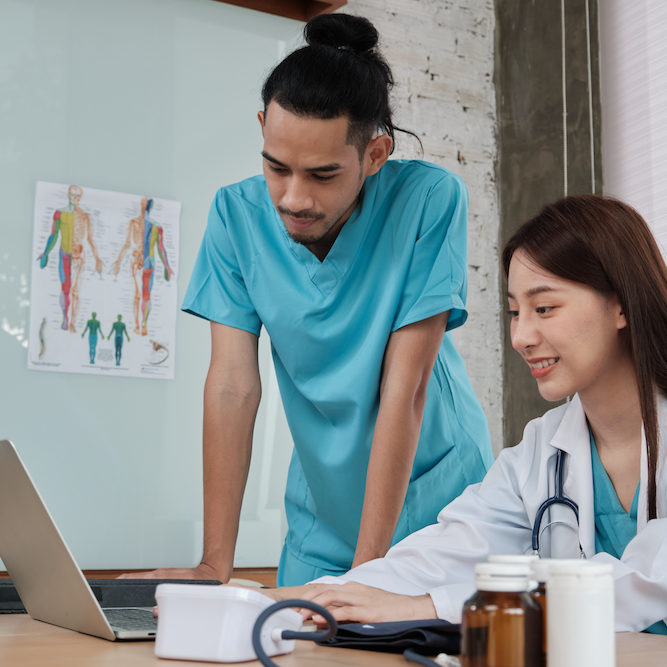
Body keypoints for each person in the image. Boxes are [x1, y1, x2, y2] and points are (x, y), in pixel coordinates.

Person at [128, 13, 492, 586]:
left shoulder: (428, 200)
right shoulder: (236, 216)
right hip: (322, 518)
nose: (294, 198)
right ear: (261, 130)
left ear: (375, 155)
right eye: (277, 167)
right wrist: (212, 564)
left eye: (323, 175)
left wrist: (370, 574)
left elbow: (407, 388)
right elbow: (231, 385)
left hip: (439, 509)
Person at [267, 194, 667, 634]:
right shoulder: (541, 450)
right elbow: (447, 551)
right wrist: (314, 597)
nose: (521, 336)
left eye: (545, 308)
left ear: (622, 305)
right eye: (515, 312)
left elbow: (643, 583)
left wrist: (428, 605)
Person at [38, 184, 104, 332]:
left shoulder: (85, 216)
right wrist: (46, 252)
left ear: (80, 198)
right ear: (68, 195)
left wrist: (97, 258)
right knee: (65, 288)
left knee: (75, 290)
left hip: (79, 255)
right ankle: (65, 316)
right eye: (73, 195)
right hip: (64, 254)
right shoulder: (59, 213)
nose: (75, 198)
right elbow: (53, 235)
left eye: (78, 196)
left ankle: (71, 322)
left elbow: (90, 239)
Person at [111, 196, 174, 336]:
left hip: (149, 262)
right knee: (137, 295)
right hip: (136, 260)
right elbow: (127, 243)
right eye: (142, 204)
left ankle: (144, 324)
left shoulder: (157, 227)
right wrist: (119, 261)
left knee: (146, 295)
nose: (144, 207)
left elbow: (161, 248)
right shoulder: (133, 223)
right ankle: (137, 324)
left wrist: (167, 266)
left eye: (146, 205)